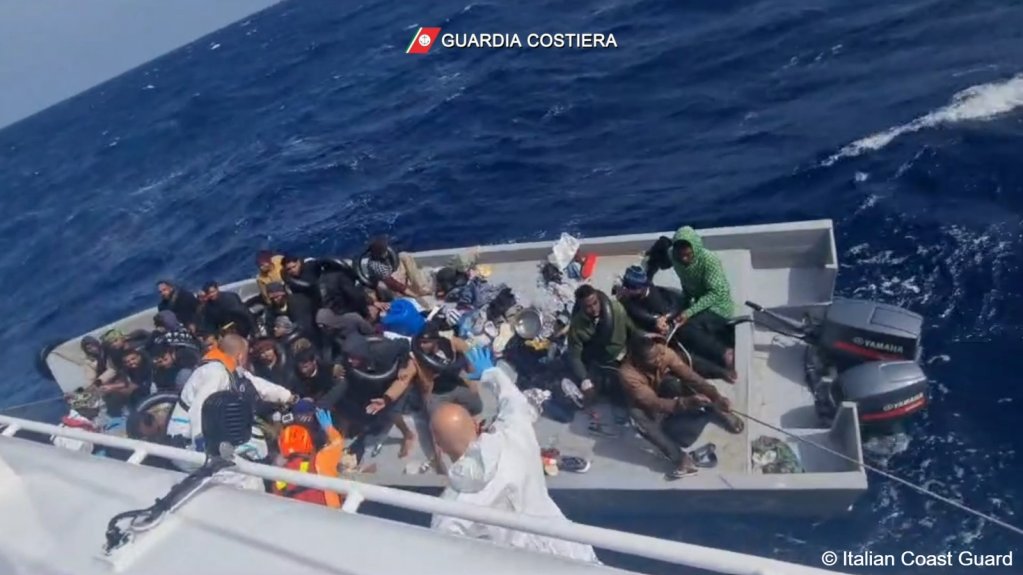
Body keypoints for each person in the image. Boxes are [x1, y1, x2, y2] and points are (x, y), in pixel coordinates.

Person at [430, 358, 599, 564]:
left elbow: (444, 559)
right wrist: (492, 373)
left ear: (439, 446)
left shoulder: (451, 510)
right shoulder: (513, 435)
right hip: (573, 551)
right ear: (476, 425)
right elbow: (514, 401)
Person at [618, 335, 743, 479]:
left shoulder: (664, 352)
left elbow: (692, 377)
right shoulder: (627, 374)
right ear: (638, 361)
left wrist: (717, 397)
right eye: (652, 359)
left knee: (682, 383)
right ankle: (680, 458)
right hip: (643, 399)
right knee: (638, 419)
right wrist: (686, 402)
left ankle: (718, 410)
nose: (659, 359)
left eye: (658, 355)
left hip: (660, 385)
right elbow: (653, 403)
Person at [167, 334, 297, 460]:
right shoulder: (216, 373)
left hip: (205, 434)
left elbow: (256, 384)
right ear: (240, 356)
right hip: (188, 443)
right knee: (257, 444)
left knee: (255, 435)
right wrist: (202, 446)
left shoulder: (226, 367)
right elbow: (199, 408)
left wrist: (288, 397)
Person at [617, 265, 733, 382]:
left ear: (641, 288)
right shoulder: (629, 301)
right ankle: (720, 364)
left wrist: (665, 319)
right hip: (658, 333)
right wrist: (654, 322)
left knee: (693, 329)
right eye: (626, 286)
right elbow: (638, 314)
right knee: (681, 350)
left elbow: (672, 304)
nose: (626, 289)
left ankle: (724, 350)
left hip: (674, 322)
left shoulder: (654, 295)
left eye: (630, 287)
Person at [646, 226, 736, 376]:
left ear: (696, 247)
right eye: (680, 252)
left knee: (688, 329)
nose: (684, 257)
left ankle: (725, 353)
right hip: (696, 300)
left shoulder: (709, 261)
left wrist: (689, 312)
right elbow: (663, 247)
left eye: (688, 252)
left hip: (718, 305)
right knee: (677, 326)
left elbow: (716, 293)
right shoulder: (674, 256)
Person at [327, 335, 418, 458]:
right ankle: (342, 438)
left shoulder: (385, 351)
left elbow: (404, 343)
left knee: (391, 412)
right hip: (366, 382)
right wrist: (337, 365)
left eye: (354, 357)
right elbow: (341, 356)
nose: (349, 360)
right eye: (349, 357)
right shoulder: (349, 357)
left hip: (388, 382)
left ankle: (408, 434)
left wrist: (402, 365)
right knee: (343, 405)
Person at [566, 284, 635, 404]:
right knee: (590, 395)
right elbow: (574, 356)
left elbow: (632, 330)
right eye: (588, 307)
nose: (594, 309)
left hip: (624, 353)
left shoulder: (616, 309)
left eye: (595, 303)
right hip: (602, 362)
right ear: (581, 307)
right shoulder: (577, 326)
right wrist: (584, 380)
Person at [273, 411, 344, 508]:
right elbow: (337, 443)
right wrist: (329, 428)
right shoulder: (321, 459)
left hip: (299, 518)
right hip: (331, 514)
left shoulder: (279, 476)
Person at [411, 325, 483, 417]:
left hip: (453, 383)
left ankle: (458, 415)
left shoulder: (449, 347)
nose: (422, 345)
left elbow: (470, 370)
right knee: (436, 417)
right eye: (421, 342)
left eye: (425, 342)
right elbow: (426, 387)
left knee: (477, 407)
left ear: (435, 341)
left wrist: (470, 382)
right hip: (436, 391)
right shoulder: (419, 357)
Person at [365, 235, 429, 305]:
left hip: (393, 272)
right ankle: (401, 297)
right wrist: (413, 295)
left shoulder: (387, 254)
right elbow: (392, 283)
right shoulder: (375, 265)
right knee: (381, 285)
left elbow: (396, 261)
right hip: (387, 282)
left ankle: (421, 288)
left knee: (404, 255)